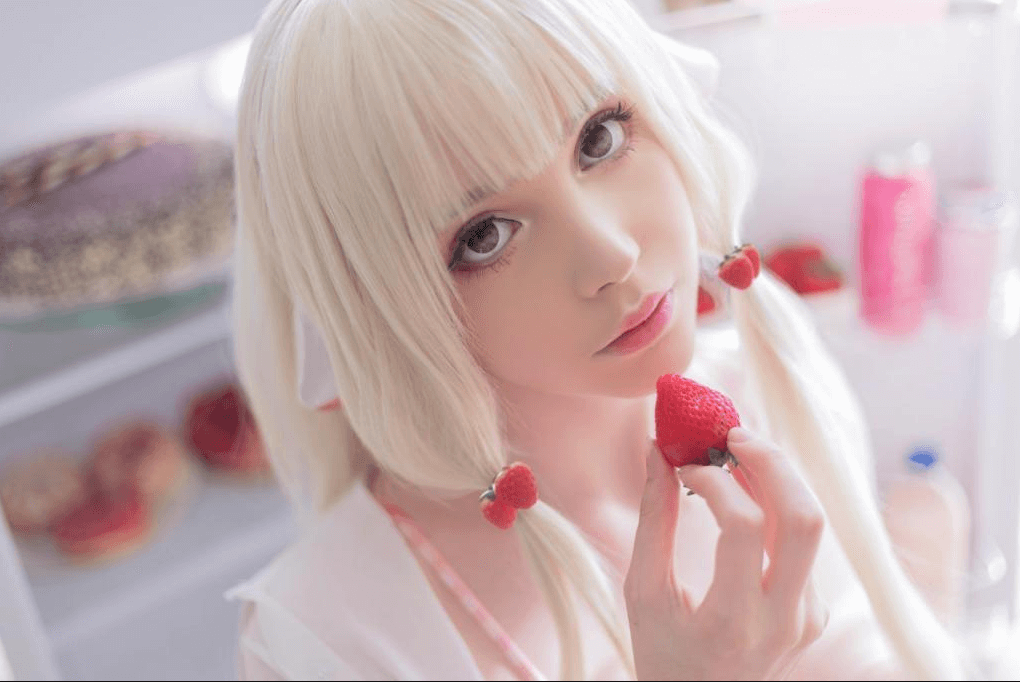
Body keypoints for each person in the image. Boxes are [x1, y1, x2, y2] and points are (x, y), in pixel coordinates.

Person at [226, 0, 973, 679]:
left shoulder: (765, 384)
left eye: (600, 137)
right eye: (485, 236)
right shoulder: (328, 640)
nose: (611, 254)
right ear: (375, 308)